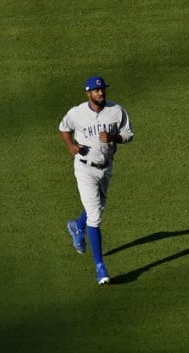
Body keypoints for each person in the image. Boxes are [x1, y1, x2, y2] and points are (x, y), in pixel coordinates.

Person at [58, 76, 135, 285]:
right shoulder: (77, 113)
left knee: (98, 207)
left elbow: (129, 134)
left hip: (106, 167)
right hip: (85, 169)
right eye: (96, 90)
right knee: (95, 216)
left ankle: (77, 226)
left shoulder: (116, 111)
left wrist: (114, 138)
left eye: (102, 90)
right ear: (88, 93)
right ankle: (100, 268)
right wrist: (71, 146)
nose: (101, 93)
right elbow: (63, 128)